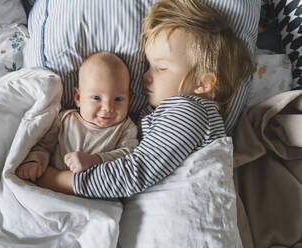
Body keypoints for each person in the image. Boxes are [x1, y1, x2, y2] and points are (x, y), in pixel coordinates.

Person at [34, 0, 256, 197]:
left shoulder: (190, 112)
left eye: (160, 68)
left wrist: (55, 180)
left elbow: (136, 172)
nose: (145, 76)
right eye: (149, 66)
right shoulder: (172, 113)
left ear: (203, 83)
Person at [16, 51, 138, 182]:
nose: (108, 107)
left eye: (119, 99)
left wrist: (94, 160)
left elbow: (128, 155)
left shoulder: (126, 127)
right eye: (96, 98)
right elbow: (44, 146)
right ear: (78, 97)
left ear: (129, 99)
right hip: (54, 188)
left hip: (97, 193)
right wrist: (34, 162)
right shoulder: (64, 120)